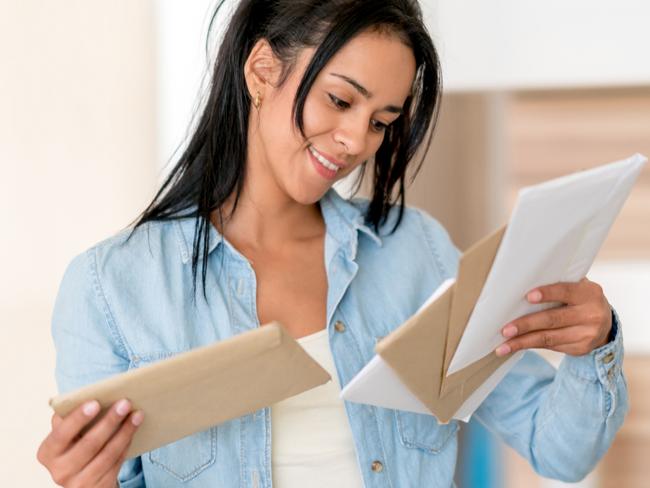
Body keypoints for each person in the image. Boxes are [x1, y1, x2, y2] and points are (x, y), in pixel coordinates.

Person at [36, 0, 628, 486]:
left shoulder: (413, 252)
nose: (354, 141)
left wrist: (593, 346)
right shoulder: (111, 286)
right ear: (262, 71)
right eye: (341, 100)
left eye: (381, 120)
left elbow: (560, 452)